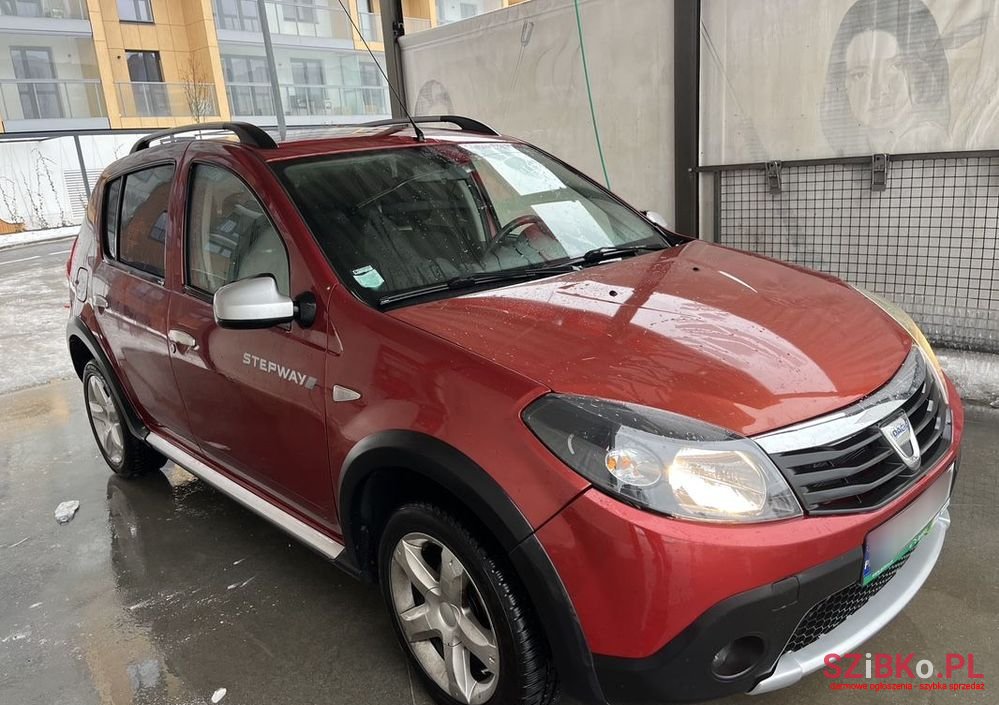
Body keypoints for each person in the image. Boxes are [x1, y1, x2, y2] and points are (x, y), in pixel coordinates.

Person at [821, 0, 950, 155]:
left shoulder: (931, 145)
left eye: (895, 66)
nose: (878, 91)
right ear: (843, 85)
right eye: (860, 75)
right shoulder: (848, 151)